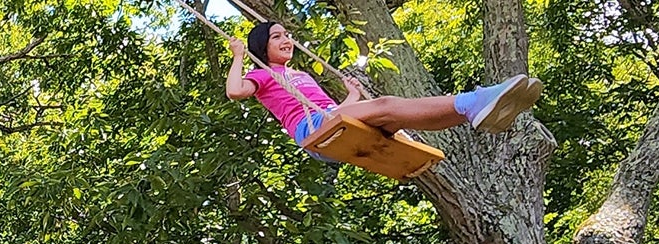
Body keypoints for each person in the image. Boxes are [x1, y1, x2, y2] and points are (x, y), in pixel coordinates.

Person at [225, 22, 543, 160]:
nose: (287, 40)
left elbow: (332, 110)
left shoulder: (299, 74)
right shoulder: (262, 74)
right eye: (277, 36)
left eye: (288, 35)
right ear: (261, 46)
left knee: (394, 118)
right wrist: (239, 55)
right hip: (312, 131)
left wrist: (352, 95)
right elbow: (235, 92)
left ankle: (474, 112)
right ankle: (475, 100)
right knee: (388, 103)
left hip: (329, 122)